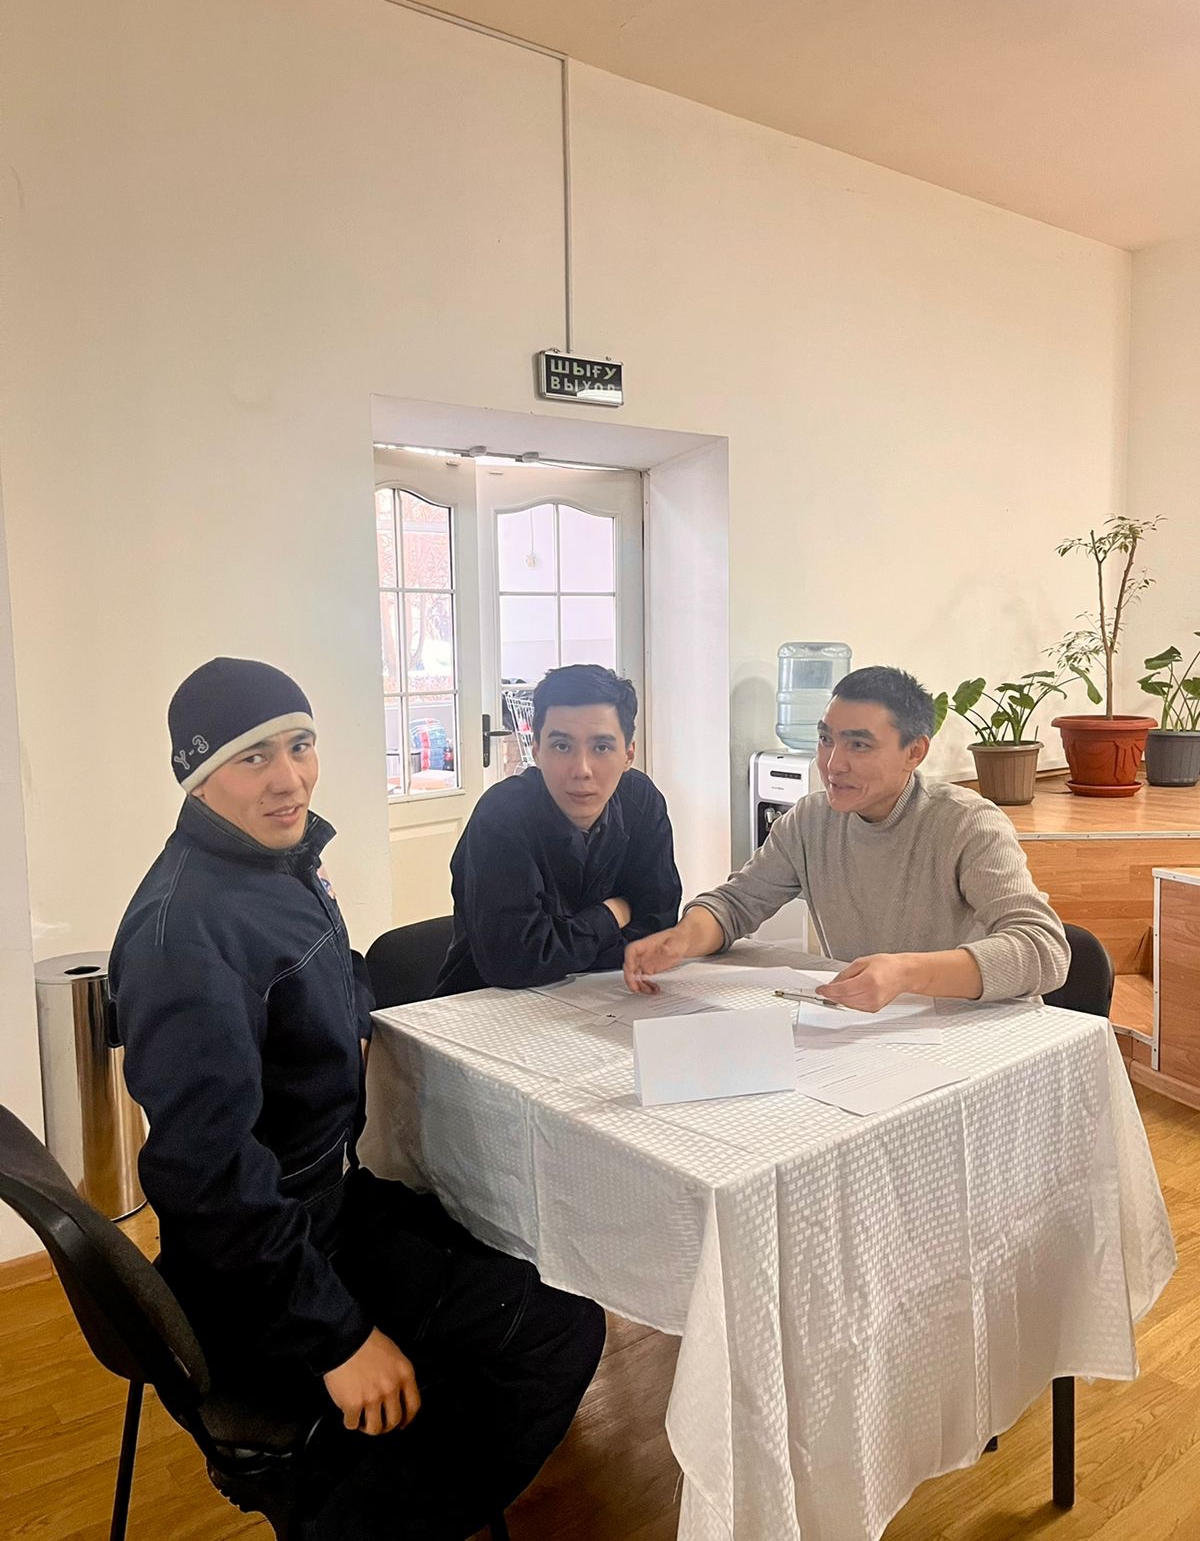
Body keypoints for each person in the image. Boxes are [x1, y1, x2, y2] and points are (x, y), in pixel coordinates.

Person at [110, 658, 605, 1539]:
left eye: (300, 746)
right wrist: (336, 1338)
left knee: (528, 1246)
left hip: (325, 1203)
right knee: (555, 1333)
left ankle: (377, 1478)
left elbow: (330, 979)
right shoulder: (186, 935)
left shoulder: (275, 866)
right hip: (272, 1263)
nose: (290, 778)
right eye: (254, 757)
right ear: (197, 774)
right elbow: (206, 1179)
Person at [624, 664, 1069, 1010]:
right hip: (868, 1031)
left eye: (858, 745)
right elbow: (735, 905)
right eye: (825, 740)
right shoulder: (810, 820)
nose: (833, 764)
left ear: (915, 752)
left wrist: (906, 973)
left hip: (974, 1030)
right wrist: (681, 940)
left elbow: (1044, 949)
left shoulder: (967, 823)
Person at [435, 664, 681, 995]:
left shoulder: (641, 801)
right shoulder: (502, 815)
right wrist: (611, 915)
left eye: (601, 747)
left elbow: (657, 928)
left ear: (628, 754)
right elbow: (515, 961)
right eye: (562, 746)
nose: (581, 770)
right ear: (537, 750)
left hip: (607, 995)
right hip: (488, 1003)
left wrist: (559, 945)